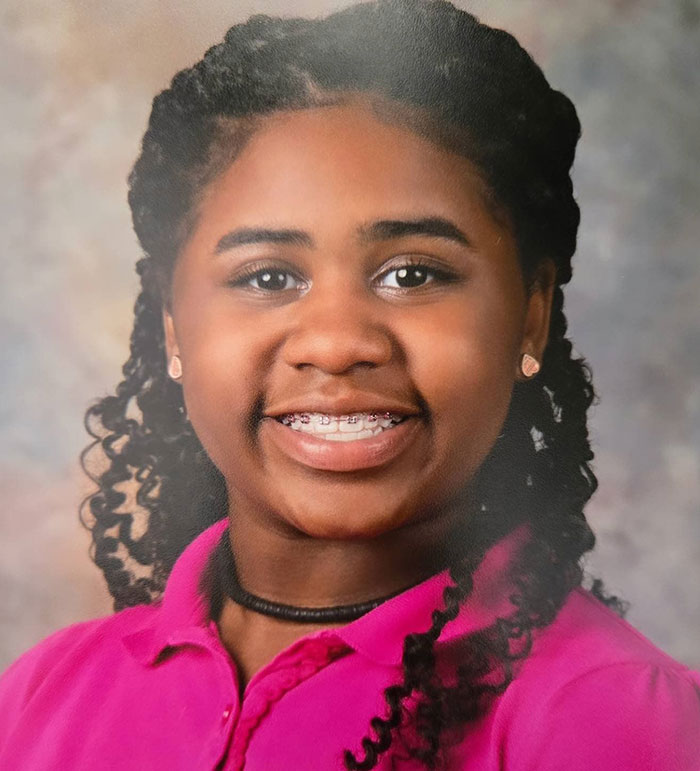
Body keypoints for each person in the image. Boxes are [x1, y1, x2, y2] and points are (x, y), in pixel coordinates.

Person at [1, 1, 699, 768]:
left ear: (531, 316)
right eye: (267, 275)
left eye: (413, 273)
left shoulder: (610, 715)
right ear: (173, 325)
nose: (337, 344)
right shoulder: (42, 692)